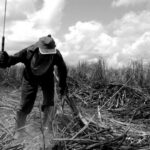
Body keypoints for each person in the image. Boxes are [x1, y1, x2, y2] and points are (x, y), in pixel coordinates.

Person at [0, 35, 68, 138]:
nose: (47, 55)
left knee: (49, 103)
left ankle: (46, 130)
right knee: (25, 104)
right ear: (39, 49)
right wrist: (4, 60)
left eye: (49, 53)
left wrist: (62, 86)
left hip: (47, 78)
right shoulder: (28, 52)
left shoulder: (56, 54)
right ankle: (19, 130)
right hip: (30, 78)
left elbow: (62, 69)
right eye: (45, 53)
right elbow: (12, 59)